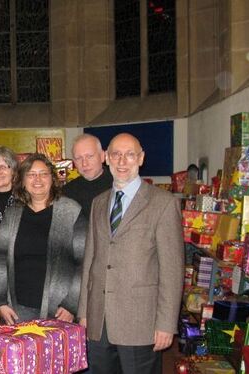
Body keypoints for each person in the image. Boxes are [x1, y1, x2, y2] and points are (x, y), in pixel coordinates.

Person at [77, 133, 184, 374]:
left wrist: (166, 324)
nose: (122, 161)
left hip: (140, 321)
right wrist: (84, 312)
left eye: (130, 155)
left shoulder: (163, 203)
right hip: (99, 319)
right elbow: (90, 261)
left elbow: (172, 269)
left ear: (141, 158)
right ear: (106, 158)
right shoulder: (99, 202)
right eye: (116, 154)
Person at [0, 153, 87, 324]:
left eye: (43, 174)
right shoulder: (12, 213)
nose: (38, 179)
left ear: (52, 178)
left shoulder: (71, 211)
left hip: (60, 310)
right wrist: (0, 302)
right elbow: (0, 260)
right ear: (22, 180)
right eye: (31, 174)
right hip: (17, 310)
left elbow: (84, 263)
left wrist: (71, 305)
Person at [62, 134, 113, 218]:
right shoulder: (67, 192)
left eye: (89, 156)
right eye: (78, 158)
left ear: (102, 156)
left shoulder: (119, 186)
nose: (84, 163)